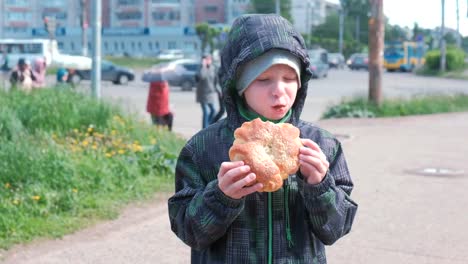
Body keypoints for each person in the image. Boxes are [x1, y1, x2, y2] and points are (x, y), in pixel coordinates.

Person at [168, 14, 358, 263]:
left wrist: (320, 186)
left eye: (290, 78)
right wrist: (221, 197)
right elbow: (188, 231)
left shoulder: (322, 145)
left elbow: (335, 229)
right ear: (238, 85)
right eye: (263, 79)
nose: (279, 90)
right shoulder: (202, 149)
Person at [195, 54, 218, 129]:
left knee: (213, 110)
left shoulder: (213, 68)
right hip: (202, 93)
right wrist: (203, 66)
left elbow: (215, 80)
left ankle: (208, 124)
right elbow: (202, 76)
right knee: (205, 111)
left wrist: (218, 90)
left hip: (210, 93)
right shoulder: (200, 68)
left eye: (210, 59)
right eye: (207, 59)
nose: (209, 61)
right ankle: (204, 128)